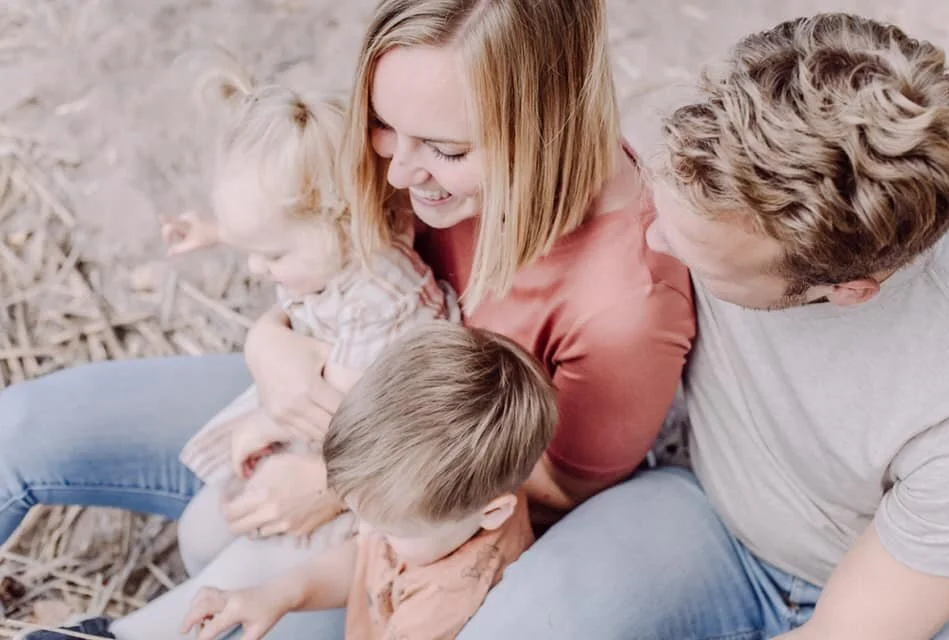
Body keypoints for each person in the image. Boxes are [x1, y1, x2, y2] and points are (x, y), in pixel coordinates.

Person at [3, 1, 693, 638]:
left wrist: (342, 482)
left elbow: (555, 486)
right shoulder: (426, 145)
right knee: (21, 429)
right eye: (385, 126)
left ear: (548, 124)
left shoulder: (628, 304)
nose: (396, 175)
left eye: (445, 151)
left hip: (404, 512)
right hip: (304, 396)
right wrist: (268, 343)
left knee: (200, 614)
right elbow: (341, 256)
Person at [455, 12, 949, 639]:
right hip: (702, 508)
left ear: (846, 292)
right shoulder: (719, 145)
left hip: (879, 589)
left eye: (696, 257)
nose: (652, 240)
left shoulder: (948, 403)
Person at [182, 322, 557, 640]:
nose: (363, 530)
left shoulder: (444, 602)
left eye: (387, 528)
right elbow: (366, 562)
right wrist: (277, 595)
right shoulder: (448, 513)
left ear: (493, 513)